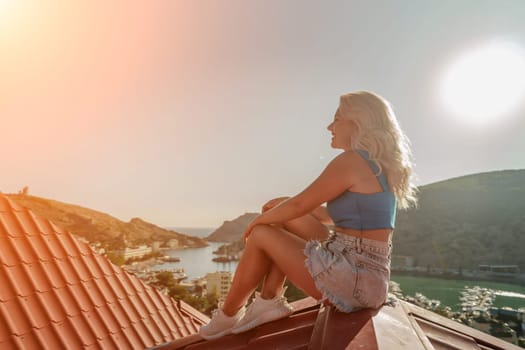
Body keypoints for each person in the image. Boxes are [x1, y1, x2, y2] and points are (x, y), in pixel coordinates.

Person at [199, 91, 417, 340]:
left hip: (353, 277)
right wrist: (283, 206)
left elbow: (300, 205)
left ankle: (226, 316)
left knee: (261, 233)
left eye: (336, 119)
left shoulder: (352, 161)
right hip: (366, 278)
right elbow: (336, 218)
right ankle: (269, 299)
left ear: (358, 122)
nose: (329, 126)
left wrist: (256, 223)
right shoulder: (377, 166)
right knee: (277, 212)